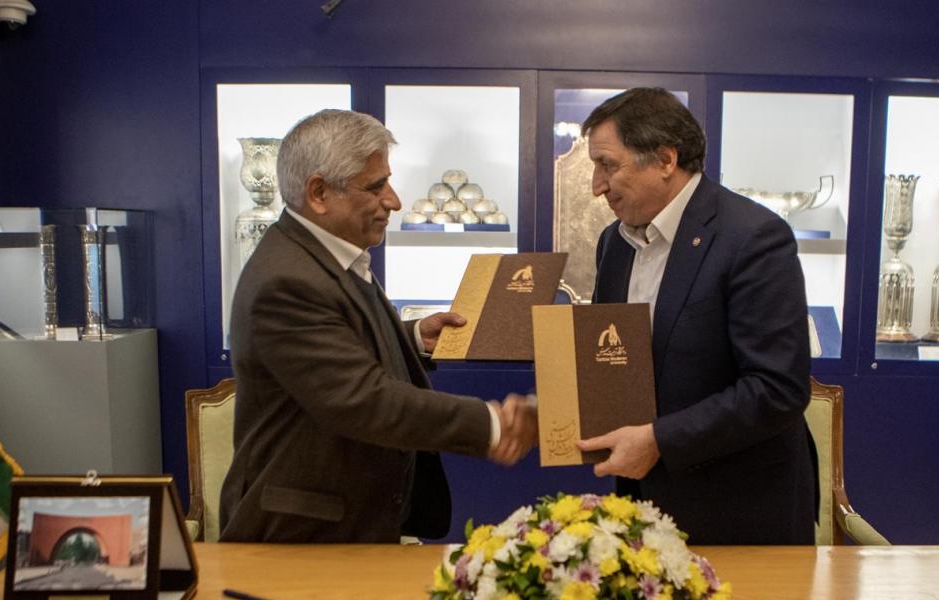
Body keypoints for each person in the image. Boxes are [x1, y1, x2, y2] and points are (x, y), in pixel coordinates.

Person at [219, 109, 535, 544]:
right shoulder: (287, 281)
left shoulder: (324, 255)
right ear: (319, 192)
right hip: (304, 541)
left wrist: (411, 337)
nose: (394, 201)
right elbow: (362, 399)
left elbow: (336, 343)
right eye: (375, 186)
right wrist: (491, 423)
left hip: (340, 529)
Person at [575, 87, 817, 545]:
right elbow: (613, 363)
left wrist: (659, 440)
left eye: (607, 165)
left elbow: (777, 388)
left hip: (738, 512)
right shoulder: (614, 243)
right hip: (640, 507)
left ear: (666, 159)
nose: (597, 186)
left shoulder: (754, 238)